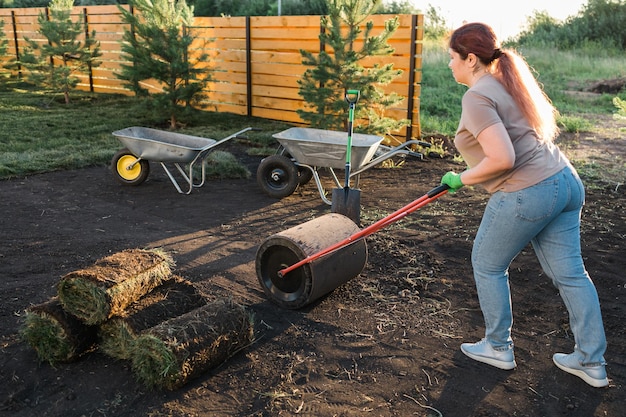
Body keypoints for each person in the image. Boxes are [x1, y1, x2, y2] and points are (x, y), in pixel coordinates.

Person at [439, 22, 609, 388]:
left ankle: (498, 346)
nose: (449, 65)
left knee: (486, 263)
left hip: (529, 190)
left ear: (470, 59)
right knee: (571, 274)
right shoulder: (505, 82)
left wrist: (461, 178)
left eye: (452, 58)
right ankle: (591, 361)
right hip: (564, 180)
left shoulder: (478, 96)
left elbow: (502, 158)